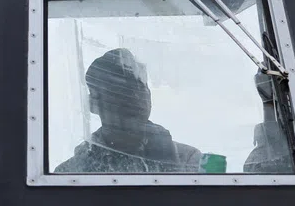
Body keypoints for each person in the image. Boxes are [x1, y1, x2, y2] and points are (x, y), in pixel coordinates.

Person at [55, 48, 205, 174]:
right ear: (93, 104)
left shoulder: (190, 163)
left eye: (139, 87)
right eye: (119, 91)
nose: (133, 98)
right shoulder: (69, 175)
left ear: (149, 95)